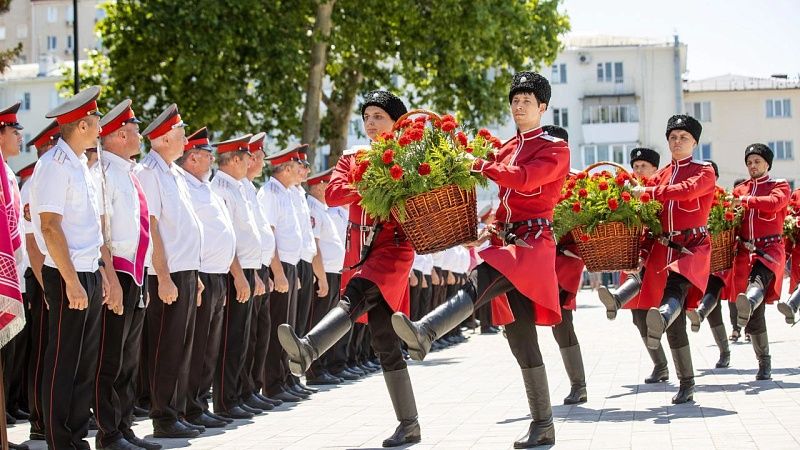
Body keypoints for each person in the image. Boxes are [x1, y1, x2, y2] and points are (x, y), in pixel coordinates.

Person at [392, 72, 569, 448]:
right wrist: (485, 228)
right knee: (521, 339)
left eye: (527, 101)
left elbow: (525, 179)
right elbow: (501, 198)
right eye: (515, 100)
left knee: (481, 276)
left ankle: (426, 331)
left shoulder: (554, 148)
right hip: (508, 240)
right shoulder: (508, 147)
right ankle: (544, 425)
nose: (519, 106)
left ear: (543, 107)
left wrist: (480, 164)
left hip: (532, 244)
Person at [277, 90, 423, 447]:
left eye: (379, 117)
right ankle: (410, 424)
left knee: (356, 294)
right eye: (367, 116)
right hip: (362, 251)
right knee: (384, 340)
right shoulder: (353, 156)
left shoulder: (410, 156)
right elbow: (334, 194)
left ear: (397, 123)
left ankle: (310, 347)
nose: (370, 123)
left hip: (395, 248)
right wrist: (374, 180)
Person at [29, 86, 106, 449]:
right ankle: (59, 440)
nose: (100, 127)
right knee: (63, 361)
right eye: (96, 120)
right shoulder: (54, 165)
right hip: (66, 274)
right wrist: (72, 281)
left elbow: (87, 229)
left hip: (86, 271)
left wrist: (98, 274)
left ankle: (75, 437)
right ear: (81, 126)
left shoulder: (78, 165)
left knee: (83, 363)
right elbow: (49, 227)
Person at [631, 115, 716, 404]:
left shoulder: (704, 170)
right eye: (673, 137)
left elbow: (688, 190)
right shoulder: (661, 175)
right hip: (663, 247)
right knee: (674, 323)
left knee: (675, 290)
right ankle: (687, 382)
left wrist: (650, 191)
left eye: (683, 137)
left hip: (692, 246)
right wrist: (641, 253)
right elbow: (651, 220)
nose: (677, 141)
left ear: (695, 142)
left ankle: (664, 315)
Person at [94, 99, 160, 450]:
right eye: (135, 131)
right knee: (111, 358)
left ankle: (124, 426)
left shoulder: (128, 172)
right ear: (120, 135)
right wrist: (111, 278)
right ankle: (108, 433)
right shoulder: (103, 172)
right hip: (118, 270)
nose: (140, 136)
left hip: (136, 271)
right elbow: (102, 231)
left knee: (129, 359)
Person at [136, 104, 205, 438]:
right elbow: (151, 227)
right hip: (167, 274)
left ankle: (176, 412)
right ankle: (163, 417)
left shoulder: (173, 172)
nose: (185, 139)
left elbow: (184, 227)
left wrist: (196, 275)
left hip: (186, 271)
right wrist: (163, 277)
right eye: (180, 133)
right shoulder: (149, 172)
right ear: (163, 138)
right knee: (166, 347)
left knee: (183, 347)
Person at [176, 127, 237, 427]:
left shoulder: (204, 186)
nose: (213, 159)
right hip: (201, 273)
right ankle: (190, 406)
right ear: (193, 158)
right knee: (197, 346)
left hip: (217, 274)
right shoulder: (184, 185)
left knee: (210, 347)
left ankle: (200, 402)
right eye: (207, 155)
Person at [597, 147, 671, 384]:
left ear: (654, 169)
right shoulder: (625, 194)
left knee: (662, 315)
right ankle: (660, 365)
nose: (638, 171)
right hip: (631, 254)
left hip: (656, 255)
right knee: (639, 317)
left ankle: (617, 298)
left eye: (643, 166)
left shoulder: (658, 192)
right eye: (635, 166)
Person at [210, 134, 269, 417]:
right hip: (234, 271)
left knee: (244, 338)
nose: (252, 162)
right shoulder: (222, 188)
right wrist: (240, 275)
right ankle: (226, 400)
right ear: (235, 159)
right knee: (231, 339)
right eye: (248, 157)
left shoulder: (239, 187)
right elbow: (228, 239)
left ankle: (240, 393)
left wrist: (252, 273)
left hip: (246, 269)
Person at [730, 144, 789, 380]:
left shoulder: (779, 186)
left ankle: (747, 304)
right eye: (749, 162)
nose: (752, 166)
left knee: (758, 283)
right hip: (745, 253)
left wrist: (745, 200)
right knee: (756, 314)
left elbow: (774, 203)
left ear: (767, 164)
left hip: (770, 250)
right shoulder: (740, 189)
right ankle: (764, 362)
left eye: (757, 161)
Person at [18, 121, 59, 443]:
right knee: (45, 350)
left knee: (57, 349)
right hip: (43, 274)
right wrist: (46, 286)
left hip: (56, 272)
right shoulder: (34, 183)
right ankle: (40, 420)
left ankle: (54, 415)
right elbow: (33, 243)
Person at [545, 124, 587, 405]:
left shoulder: (578, 181)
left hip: (566, 260)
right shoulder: (538, 177)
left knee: (561, 321)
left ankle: (578, 385)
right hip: (536, 259)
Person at [685, 160, 733, 369]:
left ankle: (701, 315)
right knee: (715, 309)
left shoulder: (723, 198)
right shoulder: (693, 196)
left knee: (714, 290)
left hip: (720, 259)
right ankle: (725, 351)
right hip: (699, 257)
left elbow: (733, 223)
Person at [304, 168, 347, 385]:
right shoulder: (314, 208)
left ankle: (325, 366)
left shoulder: (322, 208)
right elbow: (316, 248)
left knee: (328, 323)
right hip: (324, 273)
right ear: (320, 186)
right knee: (318, 323)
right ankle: (314, 370)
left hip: (333, 271)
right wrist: (320, 276)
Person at [777, 187, 800, 324]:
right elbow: (788, 228)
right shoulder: (797, 194)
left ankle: (792, 304)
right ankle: (793, 305)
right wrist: (785, 257)